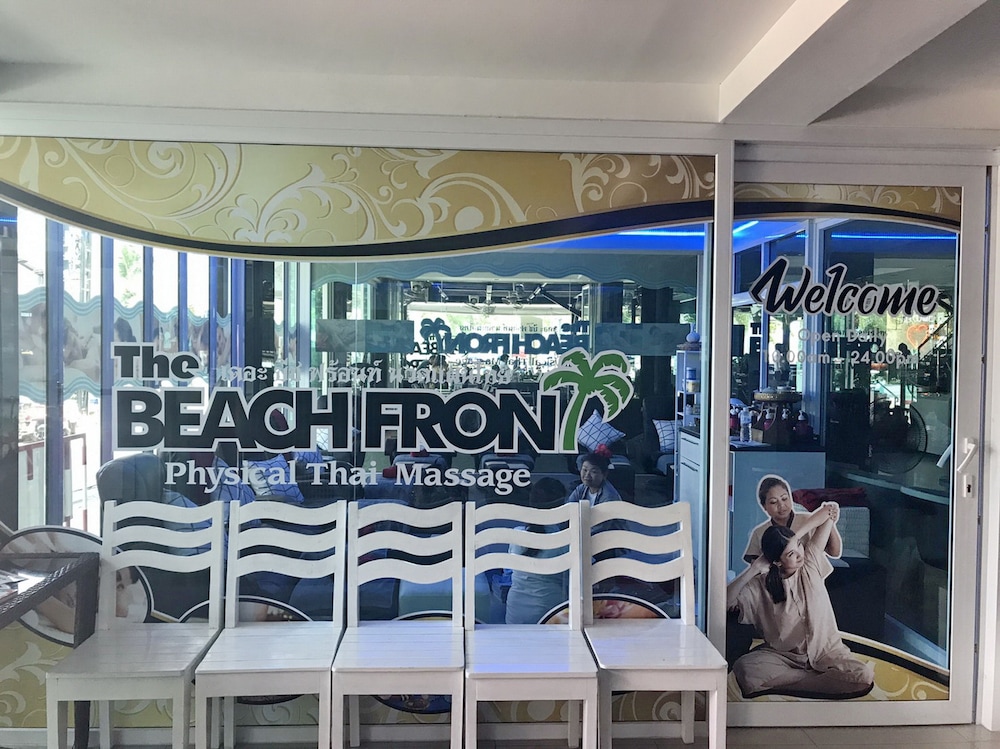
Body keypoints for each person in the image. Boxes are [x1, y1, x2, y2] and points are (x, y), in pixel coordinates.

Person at [727, 503, 874, 700]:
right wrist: (753, 569)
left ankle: (795, 683)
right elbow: (724, 602)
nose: (799, 554)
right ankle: (818, 681)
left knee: (862, 676)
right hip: (784, 657)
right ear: (777, 561)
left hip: (827, 653)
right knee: (745, 668)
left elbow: (828, 512)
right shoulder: (759, 586)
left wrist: (794, 538)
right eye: (790, 554)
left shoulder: (810, 562)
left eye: (798, 546)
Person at [504, 477, 570, 624]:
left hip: (515, 610)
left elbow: (509, 572)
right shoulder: (563, 541)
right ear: (560, 508)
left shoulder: (516, 534)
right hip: (550, 612)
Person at [743, 475, 841, 565]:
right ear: (764, 506)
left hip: (811, 575)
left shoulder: (810, 520)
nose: (781, 505)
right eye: (773, 502)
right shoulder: (759, 533)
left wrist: (829, 522)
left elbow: (834, 552)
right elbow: (757, 568)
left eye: (784, 498)